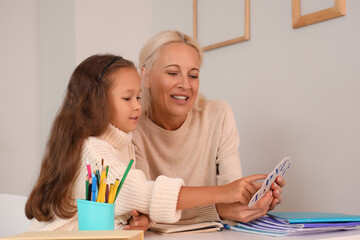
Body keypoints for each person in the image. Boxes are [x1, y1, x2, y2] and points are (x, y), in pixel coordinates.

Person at [25, 54, 272, 231]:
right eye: (127, 98)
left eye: (139, 97)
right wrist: (224, 192)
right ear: (95, 102)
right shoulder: (93, 150)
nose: (137, 105)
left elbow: (124, 203)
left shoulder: (124, 145)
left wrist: (140, 219)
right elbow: (143, 192)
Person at [132, 30, 286, 224]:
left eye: (193, 75)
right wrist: (218, 207)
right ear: (145, 76)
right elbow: (144, 205)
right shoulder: (131, 127)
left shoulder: (218, 115)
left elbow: (232, 195)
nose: (185, 85)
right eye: (173, 73)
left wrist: (253, 200)